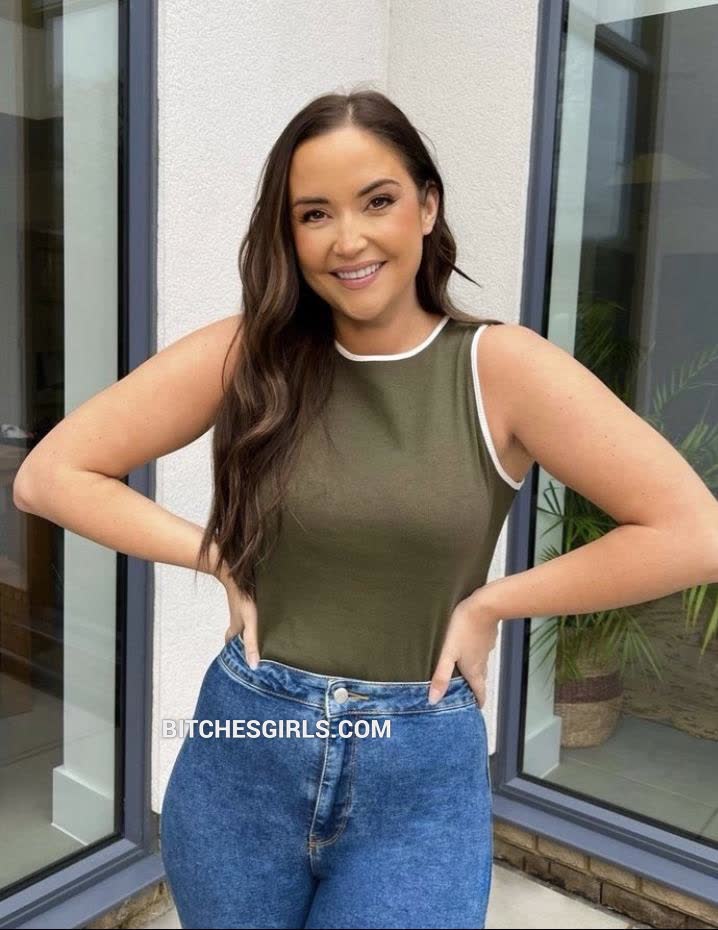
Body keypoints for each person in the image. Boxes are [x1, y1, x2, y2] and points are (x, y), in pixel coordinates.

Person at [13, 89, 718, 930]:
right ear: (289, 235)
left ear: (427, 206)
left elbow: (693, 532)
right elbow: (50, 475)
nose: (347, 239)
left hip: (417, 772)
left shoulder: (501, 369)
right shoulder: (247, 355)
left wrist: (494, 602)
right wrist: (216, 557)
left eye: (377, 201)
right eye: (314, 214)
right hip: (245, 748)